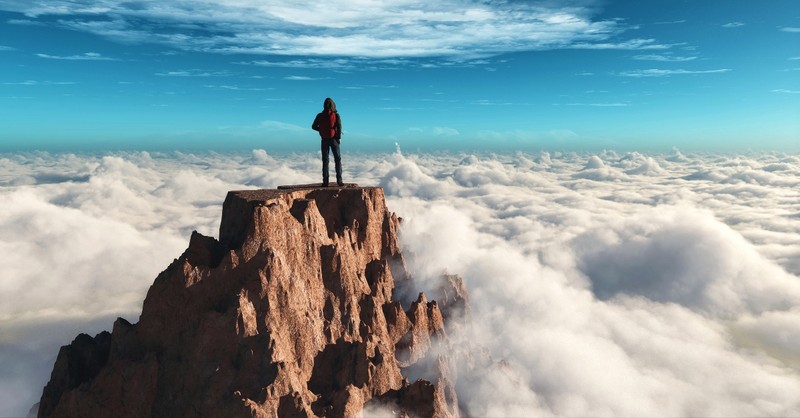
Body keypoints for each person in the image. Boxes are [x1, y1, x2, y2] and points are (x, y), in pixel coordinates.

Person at [311, 97, 343, 187]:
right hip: (334, 139)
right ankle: (339, 181)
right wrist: (338, 137)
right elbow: (339, 127)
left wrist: (321, 130)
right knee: (337, 159)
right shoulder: (336, 115)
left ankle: (325, 182)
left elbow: (313, 126)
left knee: (325, 160)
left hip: (324, 139)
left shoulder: (319, 115)